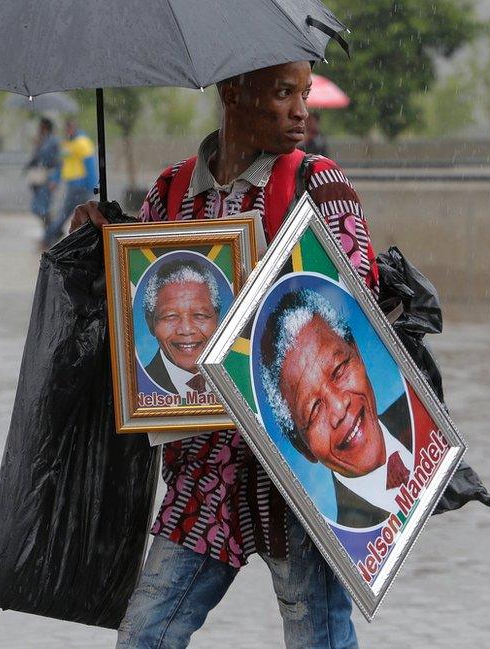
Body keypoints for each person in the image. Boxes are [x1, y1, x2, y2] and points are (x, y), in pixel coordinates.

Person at [71, 60, 377, 649]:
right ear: (233, 92)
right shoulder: (172, 190)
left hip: (295, 474)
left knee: (318, 636)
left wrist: (269, 280)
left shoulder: (320, 186)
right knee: (145, 635)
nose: (300, 112)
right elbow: (147, 298)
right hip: (204, 470)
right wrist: (106, 239)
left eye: (304, 95)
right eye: (284, 93)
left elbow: (355, 300)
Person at [260, 288, 414, 529]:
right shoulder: (346, 544)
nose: (339, 408)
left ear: (358, 354)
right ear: (303, 448)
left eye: (339, 370)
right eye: (313, 410)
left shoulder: (423, 415)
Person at [141, 259, 221, 396]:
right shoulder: (137, 389)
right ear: (150, 323)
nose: (186, 329)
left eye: (199, 315)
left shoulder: (240, 378)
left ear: (217, 319)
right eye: (170, 316)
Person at [42, 119, 97, 248]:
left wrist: (92, 186)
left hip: (81, 184)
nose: (68, 131)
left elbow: (90, 166)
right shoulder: (66, 144)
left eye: (70, 128)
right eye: (66, 129)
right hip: (72, 185)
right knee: (72, 213)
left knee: (72, 213)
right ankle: (52, 236)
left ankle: (50, 236)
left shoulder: (82, 143)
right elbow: (62, 164)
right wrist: (55, 179)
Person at [24, 118, 61, 241]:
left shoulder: (54, 141)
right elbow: (35, 159)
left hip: (48, 177)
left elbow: (58, 162)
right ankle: (52, 231)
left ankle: (51, 232)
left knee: (42, 208)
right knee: (37, 208)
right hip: (38, 178)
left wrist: (55, 180)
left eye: (41, 127)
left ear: (45, 127)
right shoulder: (41, 141)